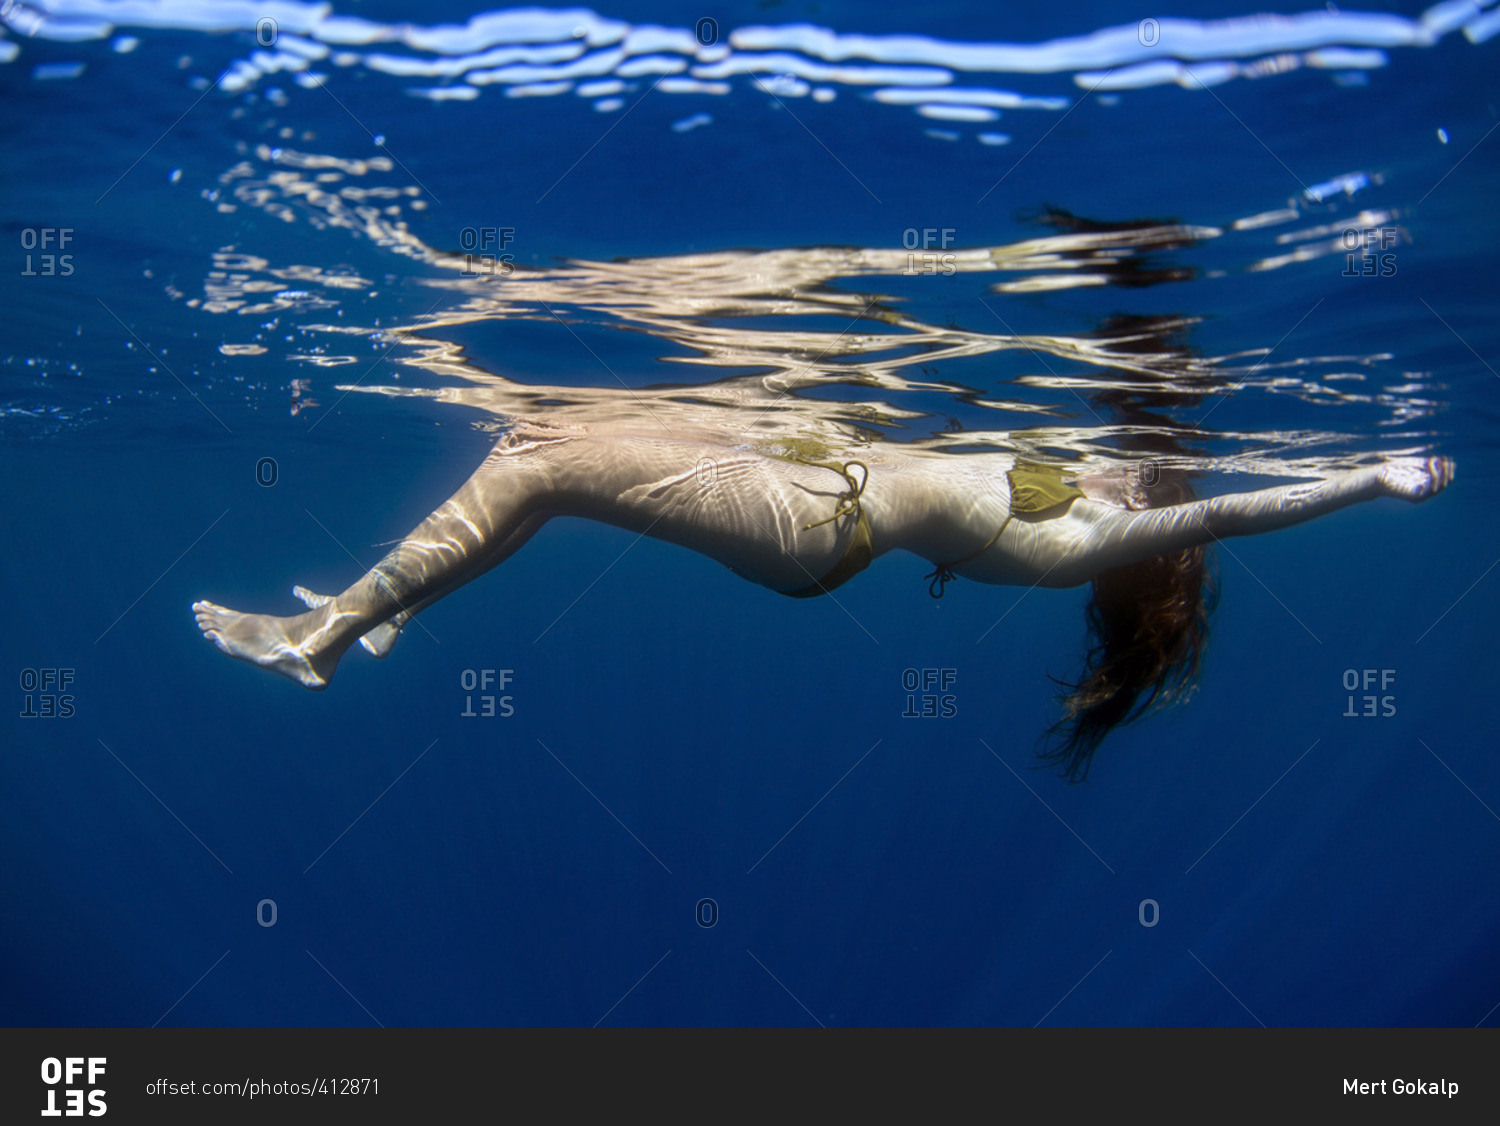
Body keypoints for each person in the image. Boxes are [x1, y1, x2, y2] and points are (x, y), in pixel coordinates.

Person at [192, 420, 1453, 777]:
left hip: (815, 527)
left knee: (539, 457)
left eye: (1152, 465)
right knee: (546, 463)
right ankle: (397, 601)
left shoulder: (1106, 531)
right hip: (823, 490)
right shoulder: (1072, 478)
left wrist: (1367, 477)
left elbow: (1236, 508)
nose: (1143, 456)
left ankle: (323, 634)